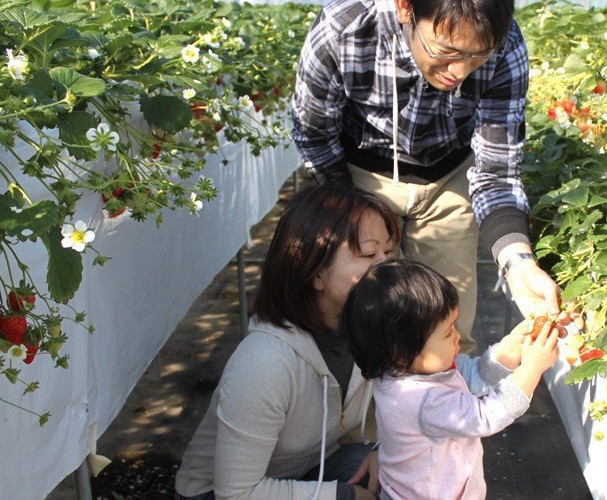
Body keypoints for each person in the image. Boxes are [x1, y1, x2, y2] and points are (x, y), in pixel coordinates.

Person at [291, 0, 569, 353]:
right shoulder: (344, 29)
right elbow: (313, 133)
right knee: (361, 323)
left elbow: (497, 172)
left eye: (476, 56)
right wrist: (351, 209)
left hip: (449, 178)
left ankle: (446, 404)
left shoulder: (506, 46)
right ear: (405, 8)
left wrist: (518, 263)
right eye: (447, 51)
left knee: (446, 332)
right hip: (359, 173)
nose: (460, 71)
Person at [174, 185, 400, 499]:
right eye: (368, 254)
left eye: (388, 251)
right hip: (224, 494)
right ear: (315, 272)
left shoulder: (371, 326)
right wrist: (343, 496)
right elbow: (236, 494)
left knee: (403, 472)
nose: (388, 266)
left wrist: (381, 451)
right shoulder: (265, 363)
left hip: (307, 469)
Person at [340, 259, 560, 499]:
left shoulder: (410, 371)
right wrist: (532, 369)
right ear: (403, 352)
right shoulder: (421, 400)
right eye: (447, 333)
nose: (457, 337)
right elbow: (485, 417)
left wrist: (510, 348)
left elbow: (475, 377)